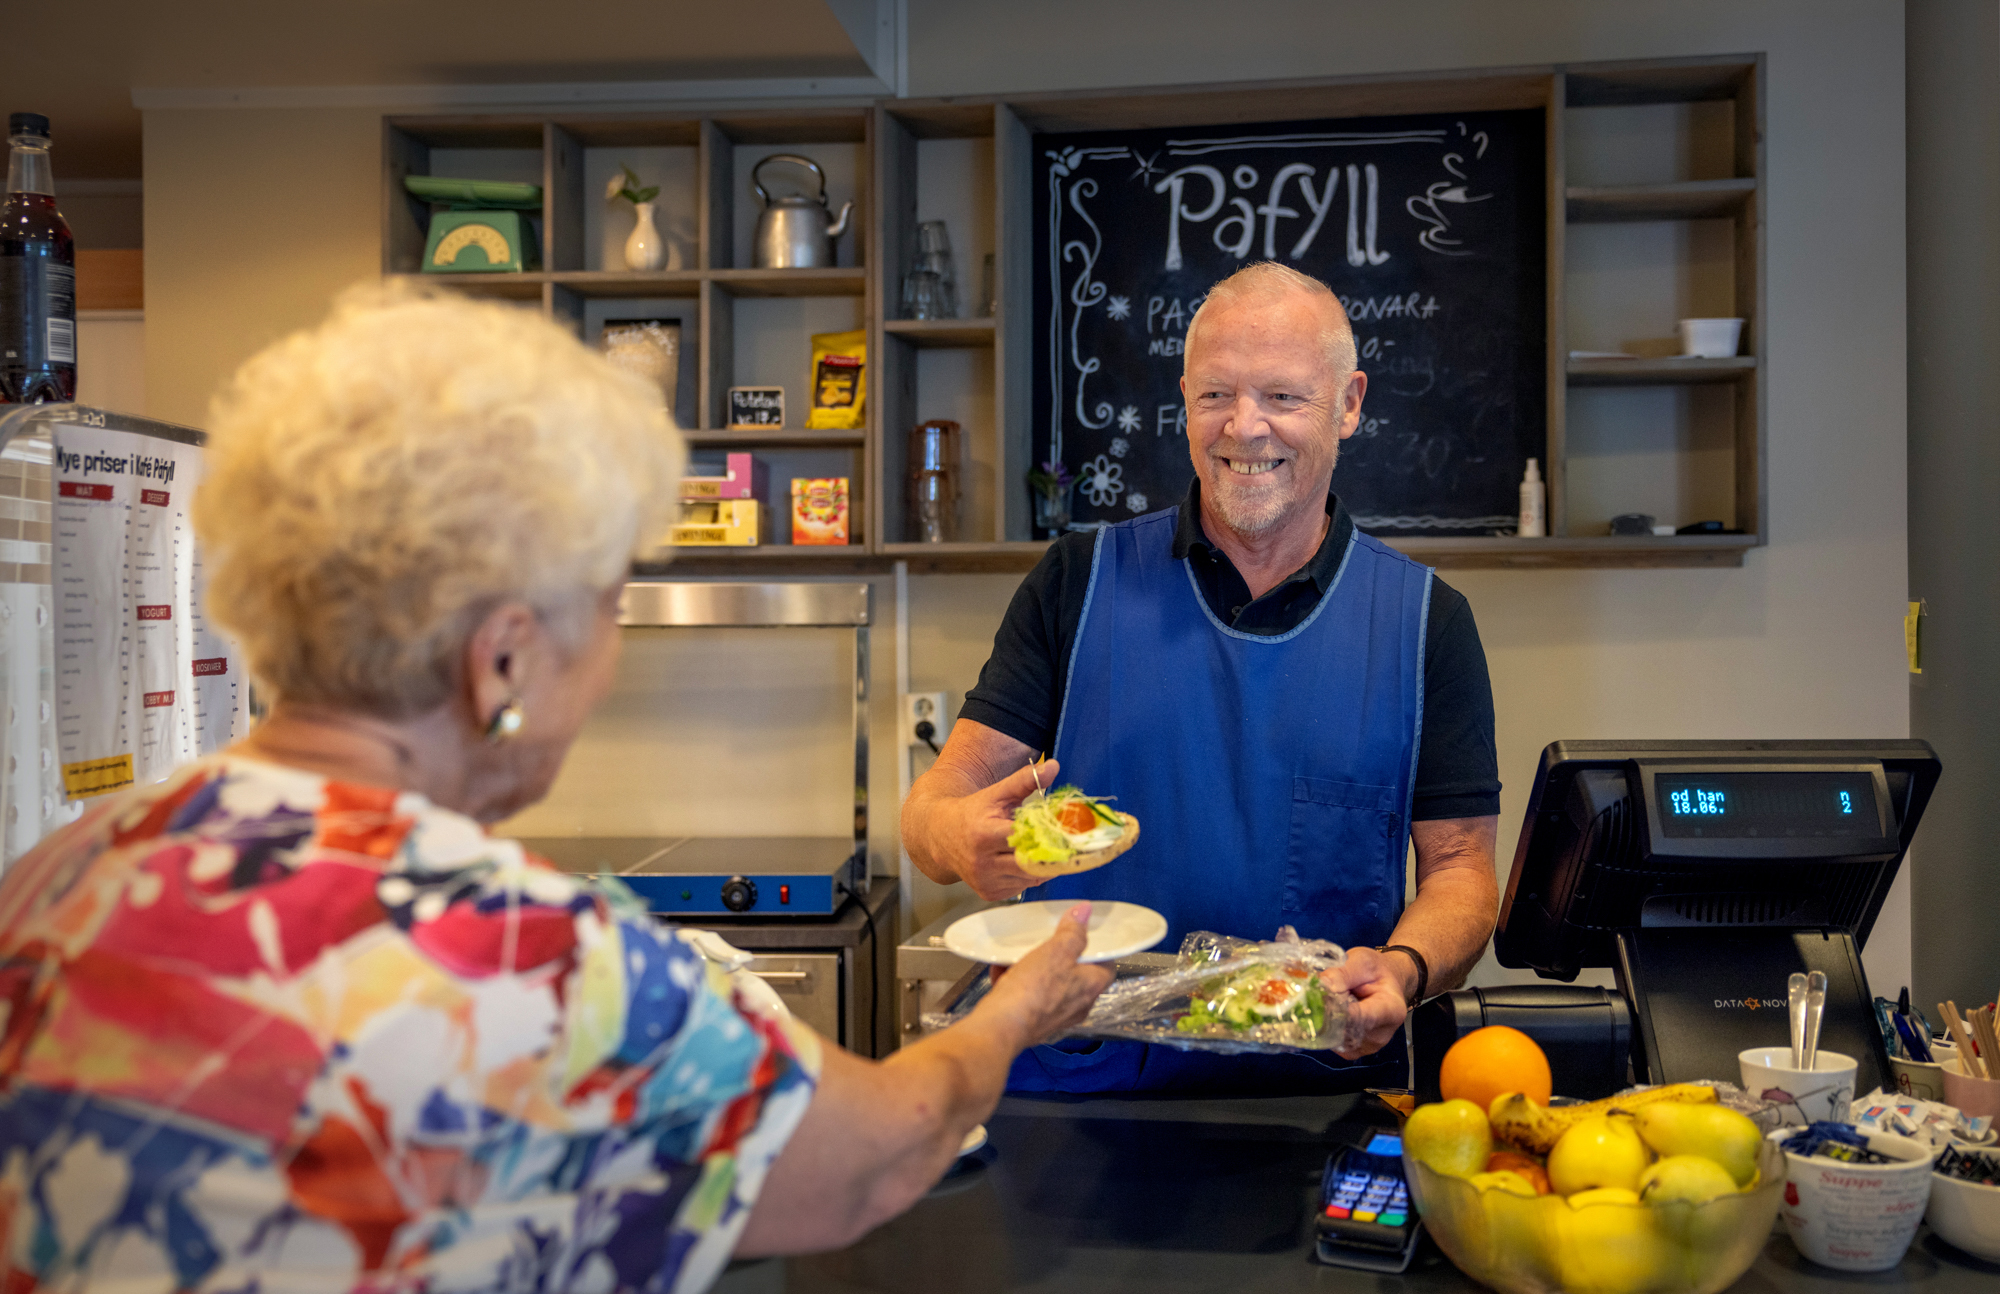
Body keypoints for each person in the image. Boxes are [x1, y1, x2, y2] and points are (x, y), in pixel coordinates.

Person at [0, 286, 1111, 1294]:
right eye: (607, 610)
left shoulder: (55, 880)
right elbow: (866, 1164)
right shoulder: (529, 958)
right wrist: (1011, 1015)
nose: (609, 652)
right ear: (501, 661)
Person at [902, 261, 1500, 1095]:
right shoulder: (1079, 581)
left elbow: (1462, 868)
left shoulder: (1426, 622)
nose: (1244, 427)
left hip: (1315, 1088)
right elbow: (932, 809)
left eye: (1284, 397)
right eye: (1216, 394)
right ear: (1184, 399)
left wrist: (1400, 968)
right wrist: (955, 837)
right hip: (1087, 1087)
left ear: (1350, 403)